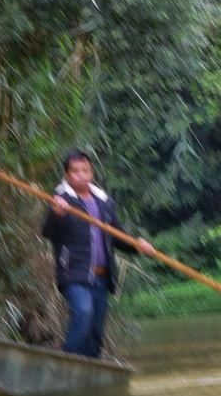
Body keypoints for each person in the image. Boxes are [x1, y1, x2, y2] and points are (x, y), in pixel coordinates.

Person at [41, 150, 155, 358]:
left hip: (102, 276)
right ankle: (68, 360)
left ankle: (90, 367)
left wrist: (138, 246)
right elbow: (47, 232)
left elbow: (117, 237)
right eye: (75, 171)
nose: (81, 175)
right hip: (74, 273)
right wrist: (57, 214)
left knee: (95, 330)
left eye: (85, 170)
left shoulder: (103, 202)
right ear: (67, 176)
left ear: (91, 173)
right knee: (83, 312)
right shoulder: (61, 201)